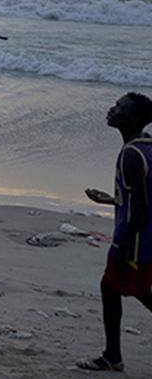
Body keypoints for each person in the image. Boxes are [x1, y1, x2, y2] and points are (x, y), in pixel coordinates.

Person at [78, 92, 152, 372]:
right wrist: (111, 199)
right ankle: (112, 355)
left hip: (133, 241)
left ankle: (112, 356)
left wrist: (123, 247)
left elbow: (142, 207)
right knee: (139, 289)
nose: (111, 110)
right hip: (147, 239)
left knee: (111, 287)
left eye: (118, 108)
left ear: (131, 119)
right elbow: (142, 197)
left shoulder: (130, 154)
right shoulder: (147, 147)